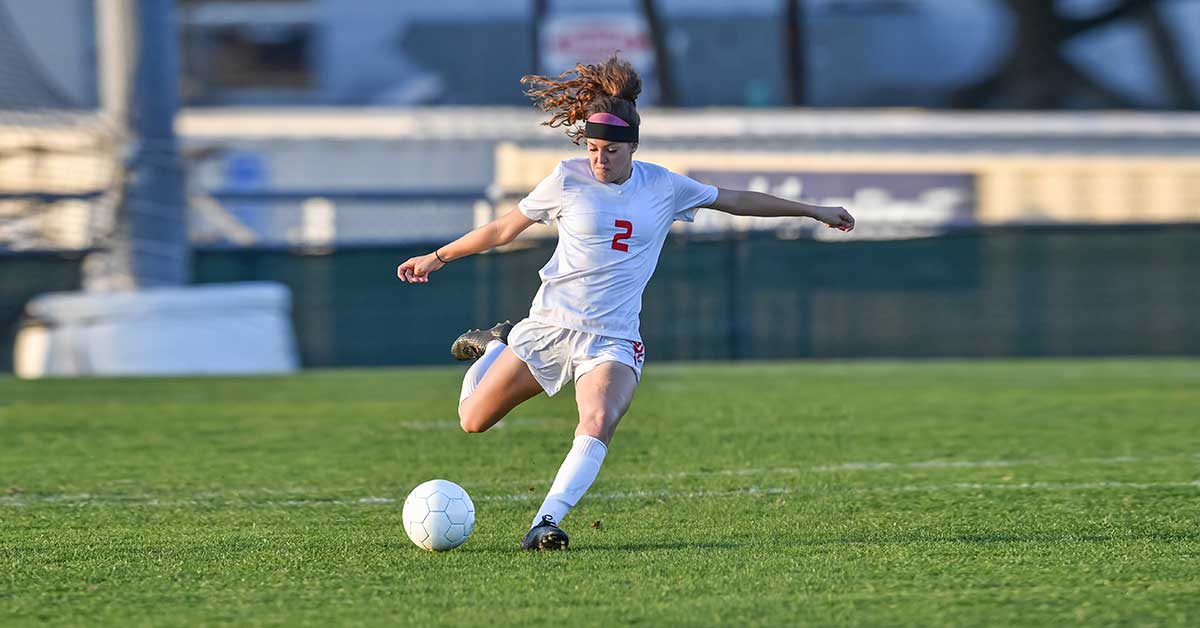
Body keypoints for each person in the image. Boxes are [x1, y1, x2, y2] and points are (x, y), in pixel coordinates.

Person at [396, 55, 854, 551]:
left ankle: (544, 523)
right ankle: (493, 348)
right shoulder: (567, 179)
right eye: (592, 148)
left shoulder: (663, 185)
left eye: (610, 150)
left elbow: (738, 200)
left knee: (597, 421)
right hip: (550, 327)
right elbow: (504, 229)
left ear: (632, 147)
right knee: (473, 421)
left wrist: (814, 210)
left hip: (612, 338)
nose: (599, 159)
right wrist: (438, 256)